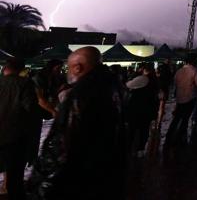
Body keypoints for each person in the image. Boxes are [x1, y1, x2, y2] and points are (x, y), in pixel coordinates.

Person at [28, 46, 126, 200]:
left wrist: (40, 188)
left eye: (68, 68)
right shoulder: (114, 86)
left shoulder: (79, 95)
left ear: (78, 68)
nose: (66, 71)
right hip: (102, 175)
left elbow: (60, 147)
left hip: (77, 180)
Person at [0, 58, 40, 200]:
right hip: (15, 140)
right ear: (21, 70)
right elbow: (33, 113)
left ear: (5, 68)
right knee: (15, 181)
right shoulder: (25, 84)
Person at [165, 54, 197, 146]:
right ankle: (179, 139)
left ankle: (168, 137)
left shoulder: (179, 71)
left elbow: (175, 84)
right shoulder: (194, 70)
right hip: (190, 98)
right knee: (185, 119)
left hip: (179, 98)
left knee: (176, 119)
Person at [125, 63, 159, 157]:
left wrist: (134, 75)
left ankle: (129, 149)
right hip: (148, 109)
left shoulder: (143, 78)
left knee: (132, 129)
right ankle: (141, 149)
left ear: (143, 69)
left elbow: (128, 85)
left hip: (137, 108)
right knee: (144, 130)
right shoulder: (154, 79)